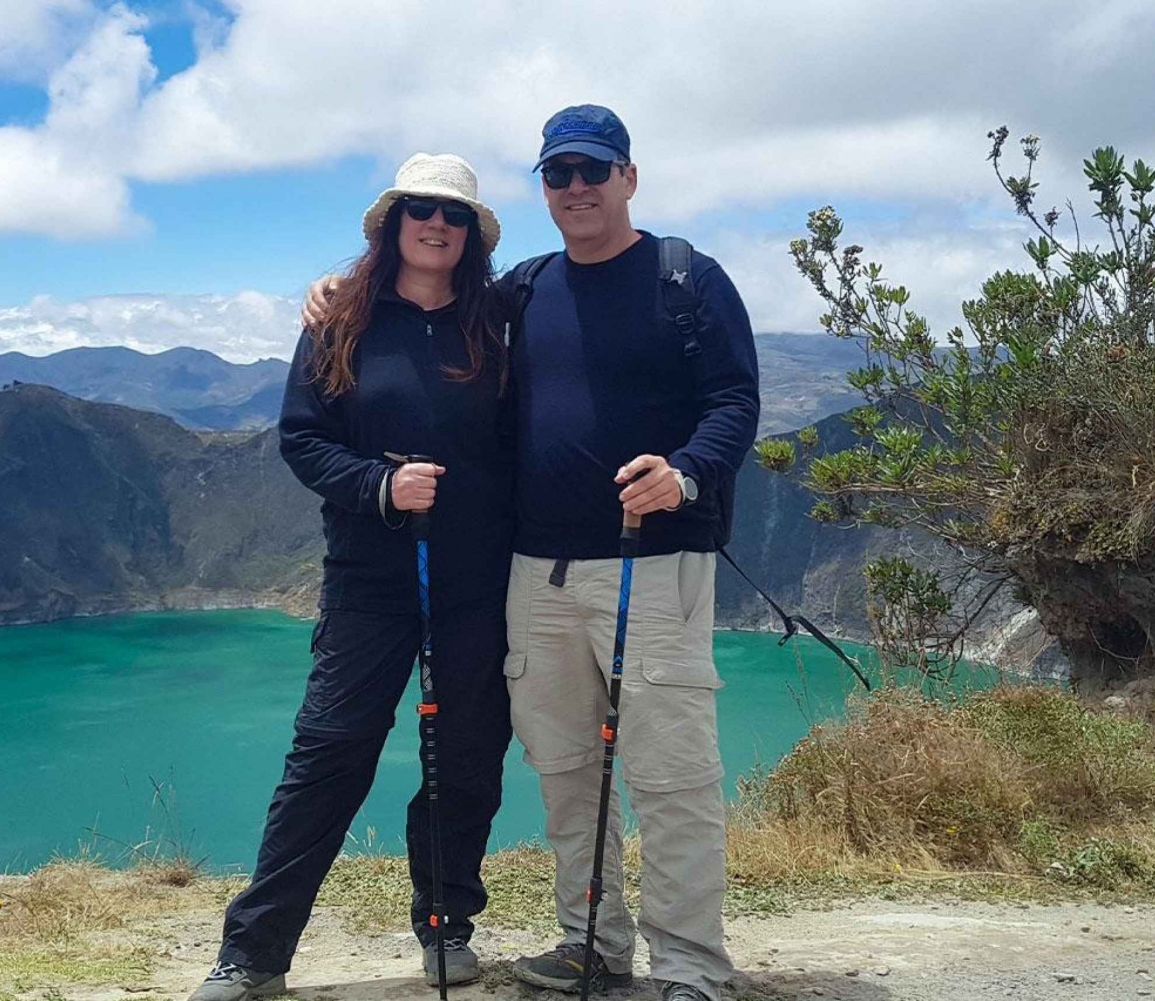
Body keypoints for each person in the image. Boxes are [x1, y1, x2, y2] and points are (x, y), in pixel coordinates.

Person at [305, 104, 761, 1001]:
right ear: (543, 188)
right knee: (565, 769)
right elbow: (421, 301)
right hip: (533, 574)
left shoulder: (687, 279)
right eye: (559, 174)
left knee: (669, 774)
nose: (578, 187)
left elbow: (734, 400)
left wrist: (687, 475)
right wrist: (336, 290)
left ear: (629, 176)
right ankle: (591, 940)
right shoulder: (522, 288)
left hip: (654, 562)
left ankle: (690, 966)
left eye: (594, 170)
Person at [188, 152, 515, 1001]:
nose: (435, 224)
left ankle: (446, 926)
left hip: (476, 578)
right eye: (420, 209)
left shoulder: (499, 322)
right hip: (370, 577)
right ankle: (254, 952)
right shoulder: (342, 321)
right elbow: (302, 437)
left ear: (470, 236)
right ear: (393, 224)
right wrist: (379, 485)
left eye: (452, 215)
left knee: (466, 754)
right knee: (331, 750)